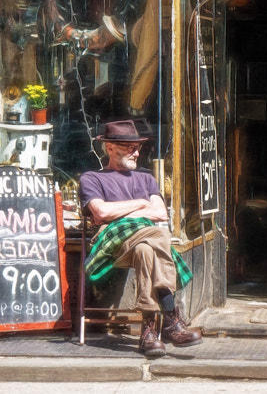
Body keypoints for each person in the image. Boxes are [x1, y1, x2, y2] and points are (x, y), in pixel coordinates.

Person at [80, 119, 202, 357]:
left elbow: (159, 213)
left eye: (138, 147)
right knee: (160, 233)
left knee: (147, 249)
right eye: (130, 147)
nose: (137, 152)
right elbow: (101, 212)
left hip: (140, 244)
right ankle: (170, 319)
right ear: (110, 148)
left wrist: (118, 211)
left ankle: (148, 331)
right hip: (113, 244)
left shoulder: (146, 178)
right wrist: (141, 203)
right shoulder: (92, 178)